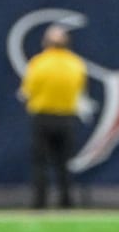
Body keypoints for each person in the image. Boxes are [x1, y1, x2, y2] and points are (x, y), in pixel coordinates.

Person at [18, 24, 87, 209]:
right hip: (66, 117)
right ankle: (66, 201)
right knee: (63, 163)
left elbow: (27, 91)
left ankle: (40, 202)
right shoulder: (75, 64)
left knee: (40, 163)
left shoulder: (39, 63)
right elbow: (79, 89)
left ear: (46, 43)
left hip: (43, 116)